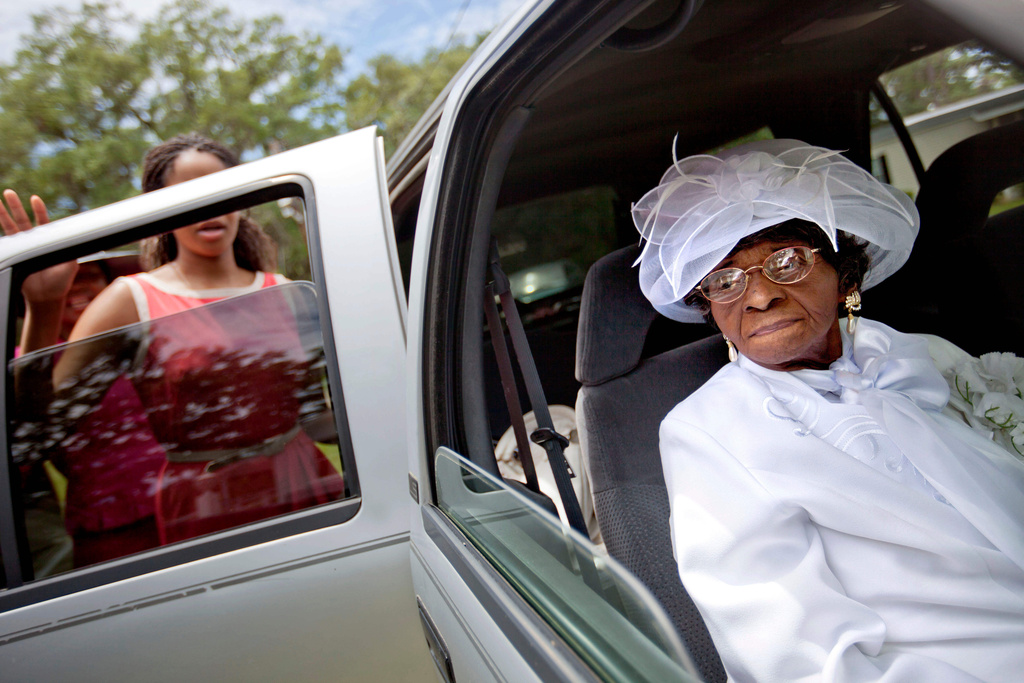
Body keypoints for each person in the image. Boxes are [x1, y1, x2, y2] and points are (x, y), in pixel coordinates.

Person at [632, 139, 1024, 681]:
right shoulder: (706, 432)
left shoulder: (922, 353)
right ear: (710, 307)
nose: (759, 296)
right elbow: (797, 658)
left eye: (786, 261)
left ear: (843, 273)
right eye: (725, 280)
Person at [8, 133, 343, 548]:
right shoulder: (130, 301)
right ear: (159, 207)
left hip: (306, 485)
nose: (211, 206)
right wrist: (44, 307)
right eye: (189, 194)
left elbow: (319, 420)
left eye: (223, 190)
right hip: (205, 506)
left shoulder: (287, 291)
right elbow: (41, 424)